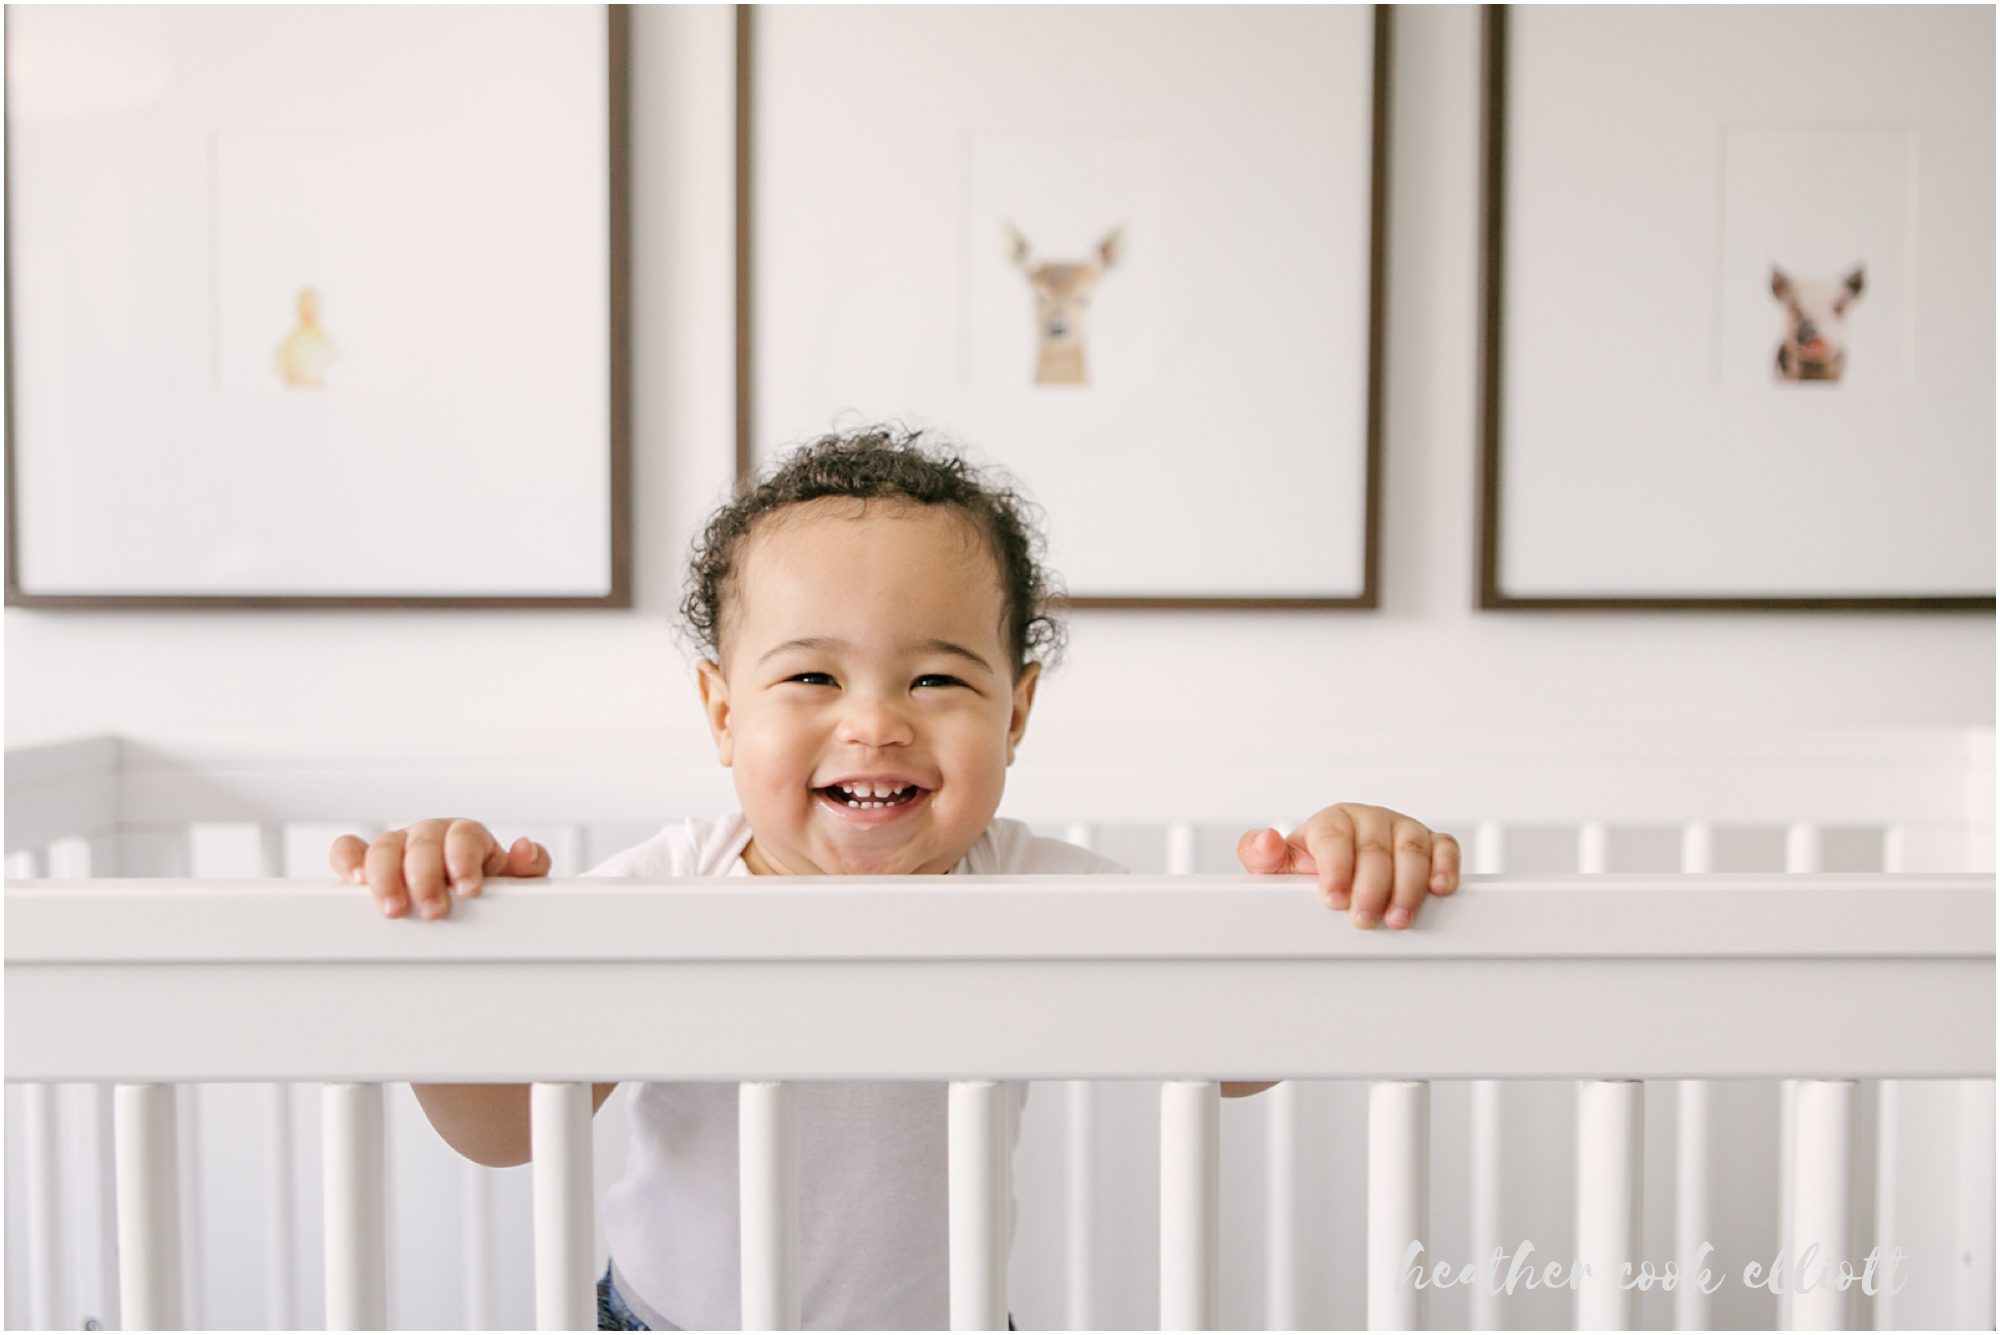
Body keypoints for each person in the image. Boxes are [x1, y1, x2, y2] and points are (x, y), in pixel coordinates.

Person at [329, 426, 1463, 1331]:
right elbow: (505, 1129)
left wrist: (1329, 885)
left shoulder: (1032, 889)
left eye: (933, 679)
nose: (872, 724)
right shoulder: (673, 888)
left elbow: (1233, 1055)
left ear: (1014, 713)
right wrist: (451, 950)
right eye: (812, 675)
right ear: (724, 713)